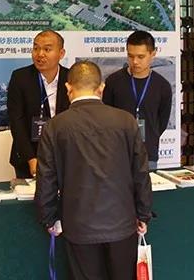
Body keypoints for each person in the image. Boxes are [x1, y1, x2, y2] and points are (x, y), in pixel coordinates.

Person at [35, 60, 152, 280]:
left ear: (68, 88)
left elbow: (46, 179)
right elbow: (140, 173)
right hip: (122, 223)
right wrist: (144, 214)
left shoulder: (55, 126)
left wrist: (49, 218)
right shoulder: (126, 121)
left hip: (79, 225)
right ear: (102, 88)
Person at [103, 30, 172, 170]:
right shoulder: (113, 81)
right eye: (130, 56)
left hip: (148, 154)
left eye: (141, 57)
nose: (135, 62)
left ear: (153, 53)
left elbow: (161, 123)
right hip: (117, 153)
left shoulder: (162, 86)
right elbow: (106, 116)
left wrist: (150, 137)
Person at [7, 29, 70, 178]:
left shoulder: (71, 78)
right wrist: (31, 158)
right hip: (29, 156)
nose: (40, 54)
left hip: (66, 157)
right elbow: (16, 121)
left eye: (47, 49)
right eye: (36, 48)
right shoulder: (20, 78)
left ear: (61, 53)